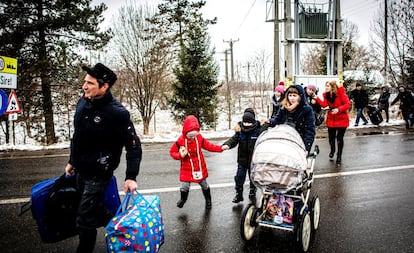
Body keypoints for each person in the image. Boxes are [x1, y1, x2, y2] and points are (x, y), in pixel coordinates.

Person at [64, 63, 142, 253]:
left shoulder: (117, 113)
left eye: (90, 83)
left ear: (104, 86)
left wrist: (131, 176)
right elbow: (78, 135)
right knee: (93, 209)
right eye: (85, 82)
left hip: (99, 174)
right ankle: (122, 229)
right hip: (81, 170)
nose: (85, 86)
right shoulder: (83, 102)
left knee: (84, 217)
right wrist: (72, 160)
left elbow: (133, 145)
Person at [169, 115, 226, 209]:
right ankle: (183, 199)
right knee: (185, 186)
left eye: (194, 135)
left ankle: (208, 200)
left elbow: (209, 146)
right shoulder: (180, 141)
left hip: (199, 167)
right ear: (185, 133)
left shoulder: (199, 138)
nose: (192, 138)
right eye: (190, 136)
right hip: (186, 168)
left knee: (204, 184)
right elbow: (172, 152)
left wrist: (220, 148)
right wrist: (180, 156)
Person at [222, 108, 265, 203]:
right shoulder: (240, 130)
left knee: (253, 177)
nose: (246, 125)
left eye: (249, 123)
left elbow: (267, 128)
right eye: (245, 122)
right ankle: (239, 194)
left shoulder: (258, 130)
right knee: (239, 177)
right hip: (242, 160)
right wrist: (227, 145)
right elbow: (234, 139)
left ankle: (252, 190)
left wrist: (266, 122)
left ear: (253, 121)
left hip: (253, 161)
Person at [268, 84, 316, 153]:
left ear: (300, 96)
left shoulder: (306, 110)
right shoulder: (283, 107)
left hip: (299, 142)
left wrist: (306, 148)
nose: (292, 98)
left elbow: (309, 130)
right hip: (284, 140)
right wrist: (268, 121)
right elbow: (276, 121)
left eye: (294, 96)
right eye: (290, 95)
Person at [313, 80, 350, 166]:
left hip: (342, 118)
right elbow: (324, 105)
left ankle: (339, 157)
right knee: (331, 138)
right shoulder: (326, 95)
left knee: (340, 139)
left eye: (328, 86)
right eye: (325, 86)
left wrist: (338, 109)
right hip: (332, 118)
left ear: (333, 87)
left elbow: (347, 104)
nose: (326, 87)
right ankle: (332, 150)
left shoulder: (341, 93)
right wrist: (316, 98)